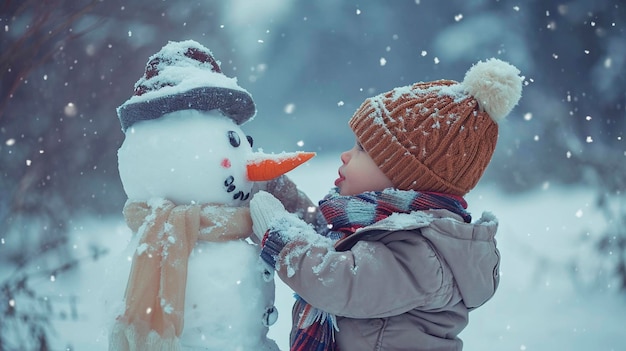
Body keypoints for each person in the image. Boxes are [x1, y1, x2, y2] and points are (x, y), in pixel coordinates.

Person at [248, 58, 523, 351]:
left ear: (403, 176)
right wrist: (272, 188)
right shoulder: (375, 225)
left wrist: (282, 239)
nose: (345, 155)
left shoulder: (424, 253)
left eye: (362, 149)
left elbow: (341, 281)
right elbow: (324, 239)